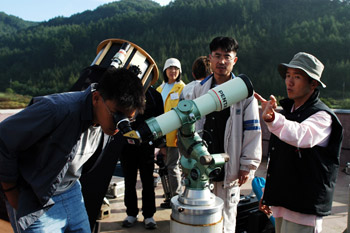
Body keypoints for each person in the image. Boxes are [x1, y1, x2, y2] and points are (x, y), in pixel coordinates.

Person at [0, 67, 145, 232]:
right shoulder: (56, 110)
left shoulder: (109, 119)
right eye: (117, 115)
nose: (120, 126)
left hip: (71, 191)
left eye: (128, 119)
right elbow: (4, 138)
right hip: (36, 197)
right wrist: (11, 193)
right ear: (96, 98)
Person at [255, 52, 343, 233]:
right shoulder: (289, 114)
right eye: (288, 75)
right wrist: (269, 194)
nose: (290, 82)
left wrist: (273, 119)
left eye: (297, 76)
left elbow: (302, 136)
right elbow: (277, 158)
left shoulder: (322, 116)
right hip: (282, 205)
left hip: (304, 210)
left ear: (313, 84)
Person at [191, 36, 262, 233]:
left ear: (235, 60)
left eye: (227, 57)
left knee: (226, 220)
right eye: (217, 56)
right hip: (203, 162)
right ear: (210, 58)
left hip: (229, 165)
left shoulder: (245, 92)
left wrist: (247, 165)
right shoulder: (199, 89)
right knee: (202, 219)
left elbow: (253, 130)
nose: (222, 61)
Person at [120, 86, 164, 229]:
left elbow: (160, 120)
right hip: (127, 144)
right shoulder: (124, 91)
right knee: (129, 180)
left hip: (146, 145)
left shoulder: (154, 95)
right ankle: (131, 213)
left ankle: (149, 215)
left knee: (148, 181)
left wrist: (161, 144)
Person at [156, 58, 185, 208]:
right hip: (160, 134)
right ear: (165, 71)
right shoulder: (159, 89)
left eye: (176, 68)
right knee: (164, 167)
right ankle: (169, 196)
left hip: (174, 135)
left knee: (173, 167)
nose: (173, 71)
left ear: (179, 71)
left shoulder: (182, 88)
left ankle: (177, 199)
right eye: (170, 68)